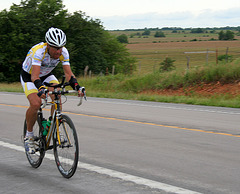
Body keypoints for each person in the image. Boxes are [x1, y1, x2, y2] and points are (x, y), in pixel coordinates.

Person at [20, 27, 82, 154]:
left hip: (46, 74)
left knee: (57, 96)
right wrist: (41, 88)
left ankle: (52, 126)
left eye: (61, 47)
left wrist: (77, 86)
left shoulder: (64, 52)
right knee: (36, 103)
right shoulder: (39, 52)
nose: (59, 51)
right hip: (30, 76)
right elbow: (35, 77)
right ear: (48, 45)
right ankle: (29, 136)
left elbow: (69, 74)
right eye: (55, 48)